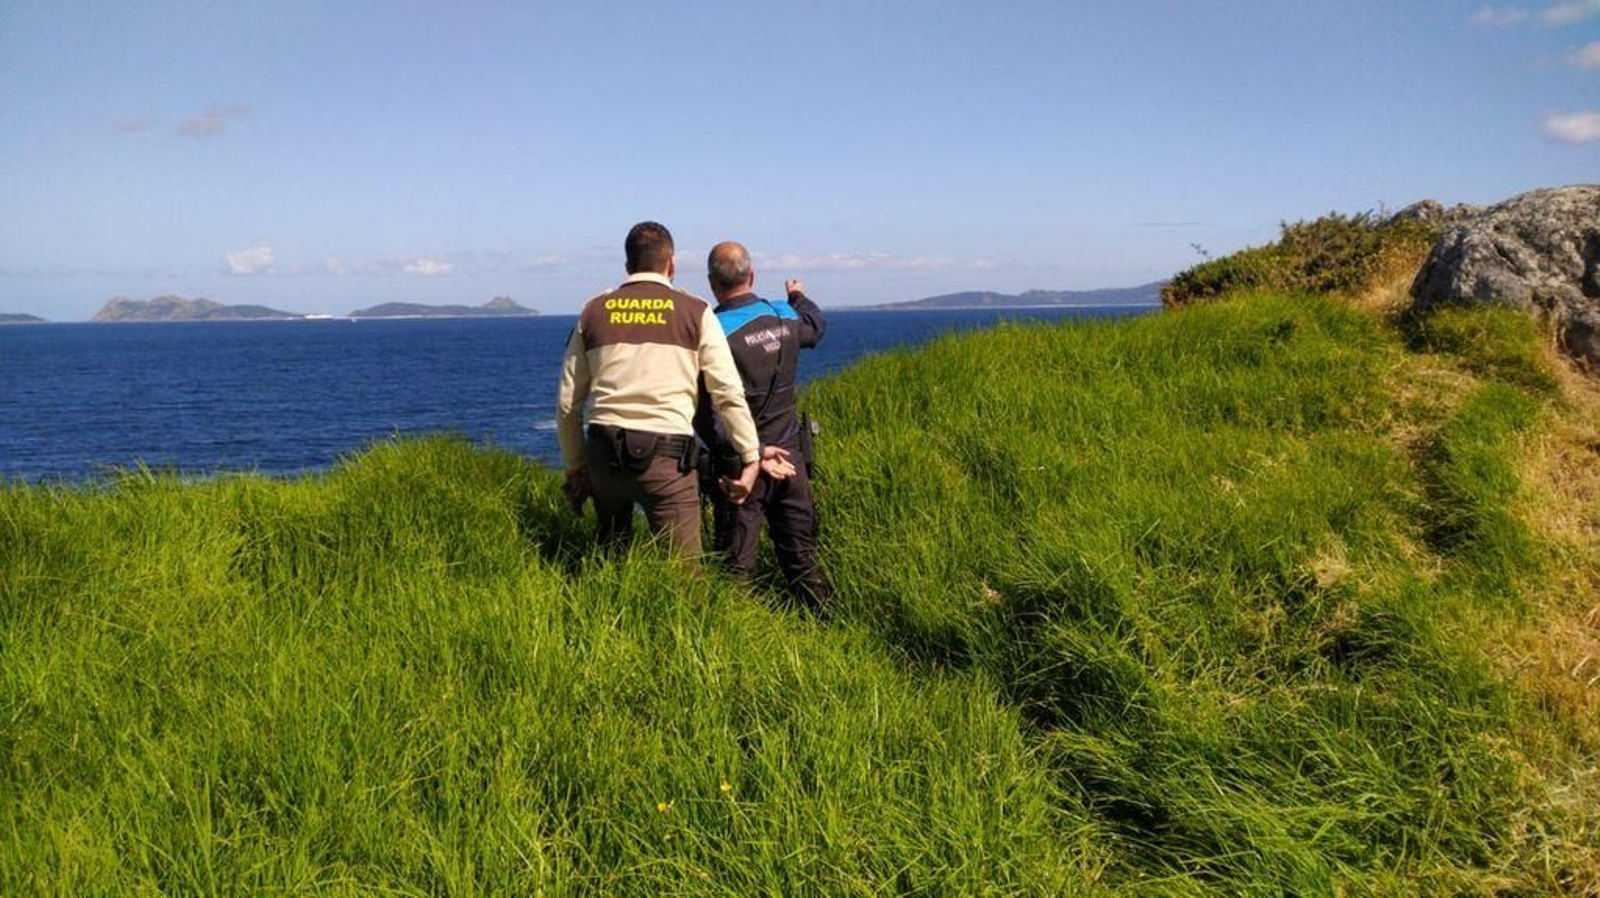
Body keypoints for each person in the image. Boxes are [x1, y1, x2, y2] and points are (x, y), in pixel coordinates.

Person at [556, 222, 763, 558]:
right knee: (684, 577)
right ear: (672, 265)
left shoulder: (593, 311)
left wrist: (577, 466)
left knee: (610, 558)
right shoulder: (695, 311)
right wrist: (750, 456)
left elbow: (567, 404)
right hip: (666, 458)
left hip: (603, 452)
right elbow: (727, 392)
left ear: (627, 266)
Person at [694, 241, 833, 607]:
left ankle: (732, 642)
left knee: (736, 568)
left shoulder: (712, 332)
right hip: (790, 459)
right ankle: (825, 628)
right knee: (802, 558)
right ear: (751, 276)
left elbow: (705, 413)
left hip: (743, 465)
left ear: (711, 283)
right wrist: (798, 296)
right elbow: (815, 328)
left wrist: (746, 452)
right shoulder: (783, 315)